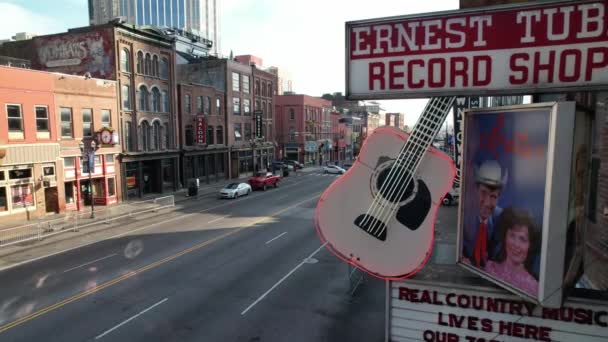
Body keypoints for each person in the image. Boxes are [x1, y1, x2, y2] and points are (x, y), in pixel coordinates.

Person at [484, 207, 539, 296]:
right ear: (504, 237)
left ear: (530, 246)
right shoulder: (490, 268)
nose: (516, 244)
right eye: (512, 235)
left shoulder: (534, 287)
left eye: (522, 239)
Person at [462, 159, 507, 268]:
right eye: (483, 193)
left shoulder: (502, 220)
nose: (487, 203)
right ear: (475, 191)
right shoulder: (464, 215)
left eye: (493, 196)